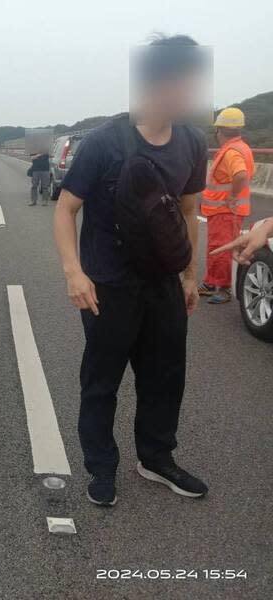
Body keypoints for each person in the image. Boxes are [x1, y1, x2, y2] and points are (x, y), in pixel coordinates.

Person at [52, 34, 209, 506]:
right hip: (108, 286)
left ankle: (156, 458)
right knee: (102, 382)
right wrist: (74, 273)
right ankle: (101, 468)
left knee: (165, 376)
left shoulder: (192, 142)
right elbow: (65, 210)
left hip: (163, 283)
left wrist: (188, 275)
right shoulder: (104, 143)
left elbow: (187, 210)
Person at [197, 107, 255, 304]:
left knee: (222, 248)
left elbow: (240, 175)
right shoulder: (240, 147)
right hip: (221, 210)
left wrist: (231, 197)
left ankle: (224, 288)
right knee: (216, 247)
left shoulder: (231, 152)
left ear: (219, 130)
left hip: (227, 210)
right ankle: (212, 282)